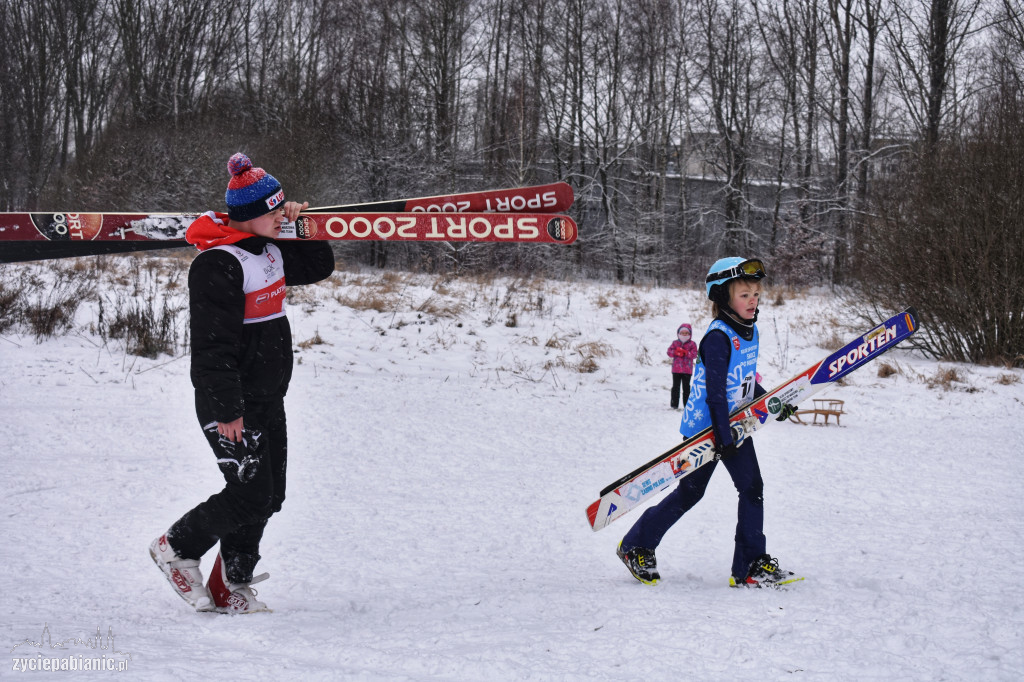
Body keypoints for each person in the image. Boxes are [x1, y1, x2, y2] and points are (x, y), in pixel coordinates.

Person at [150, 153, 335, 613]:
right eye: (275, 210)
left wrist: (303, 225)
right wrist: (227, 410)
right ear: (250, 213)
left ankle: (231, 582)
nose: (280, 215)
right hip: (231, 404)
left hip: (268, 395)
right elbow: (212, 347)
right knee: (250, 495)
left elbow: (318, 267)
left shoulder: (269, 248)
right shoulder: (219, 263)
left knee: (270, 496)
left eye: (282, 207)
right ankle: (175, 547)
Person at [616, 257, 798, 588]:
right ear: (722, 297)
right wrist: (723, 438)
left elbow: (742, 381)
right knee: (690, 493)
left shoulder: (750, 331)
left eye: (756, 294)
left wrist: (773, 403)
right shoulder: (717, 338)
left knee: (751, 488)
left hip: (734, 424)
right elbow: (715, 394)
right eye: (744, 295)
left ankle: (750, 566)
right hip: (707, 429)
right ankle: (636, 545)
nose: (753, 301)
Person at [667, 323, 698, 409]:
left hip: (687, 371)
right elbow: (669, 352)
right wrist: (675, 352)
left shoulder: (692, 344)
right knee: (675, 387)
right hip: (676, 370)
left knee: (686, 388)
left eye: (686, 333)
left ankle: (686, 405)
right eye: (682, 333)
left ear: (690, 334)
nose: (684, 335)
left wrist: (686, 353)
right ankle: (674, 405)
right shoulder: (675, 343)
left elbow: (694, 354)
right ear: (678, 333)